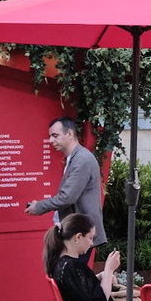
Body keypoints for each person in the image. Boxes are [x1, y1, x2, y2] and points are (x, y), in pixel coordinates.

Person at [28, 117, 104, 276]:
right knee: (70, 283)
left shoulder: (82, 160)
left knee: (72, 285)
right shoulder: (76, 158)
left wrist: (39, 206)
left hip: (80, 235)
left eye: (55, 135)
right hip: (77, 234)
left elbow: (67, 197)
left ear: (70, 133)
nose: (50, 140)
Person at [49, 213, 124, 301]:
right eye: (90, 238)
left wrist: (101, 276)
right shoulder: (73, 266)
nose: (91, 243)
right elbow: (100, 300)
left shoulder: (61, 264)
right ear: (78, 237)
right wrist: (108, 270)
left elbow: (81, 291)